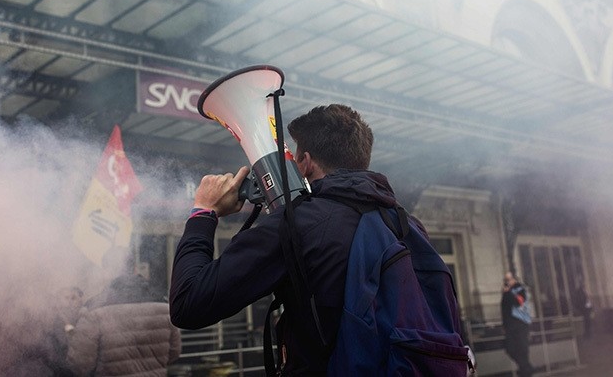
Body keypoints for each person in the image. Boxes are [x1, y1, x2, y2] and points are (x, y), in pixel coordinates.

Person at [170, 104, 436, 375]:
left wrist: (204, 212)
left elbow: (188, 304)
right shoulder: (407, 223)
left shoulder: (298, 225)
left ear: (305, 163)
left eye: (295, 158)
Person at [67, 248, 181, 376]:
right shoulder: (164, 305)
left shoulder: (94, 310)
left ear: (106, 272)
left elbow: (80, 364)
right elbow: (174, 353)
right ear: (135, 269)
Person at [501, 271, 534, 377]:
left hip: (520, 325)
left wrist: (508, 292)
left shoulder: (519, 289)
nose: (507, 282)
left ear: (514, 279)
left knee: (522, 349)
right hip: (510, 326)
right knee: (510, 348)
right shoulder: (507, 292)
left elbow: (518, 302)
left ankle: (526, 370)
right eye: (505, 280)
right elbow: (504, 310)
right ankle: (526, 368)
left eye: (509, 279)